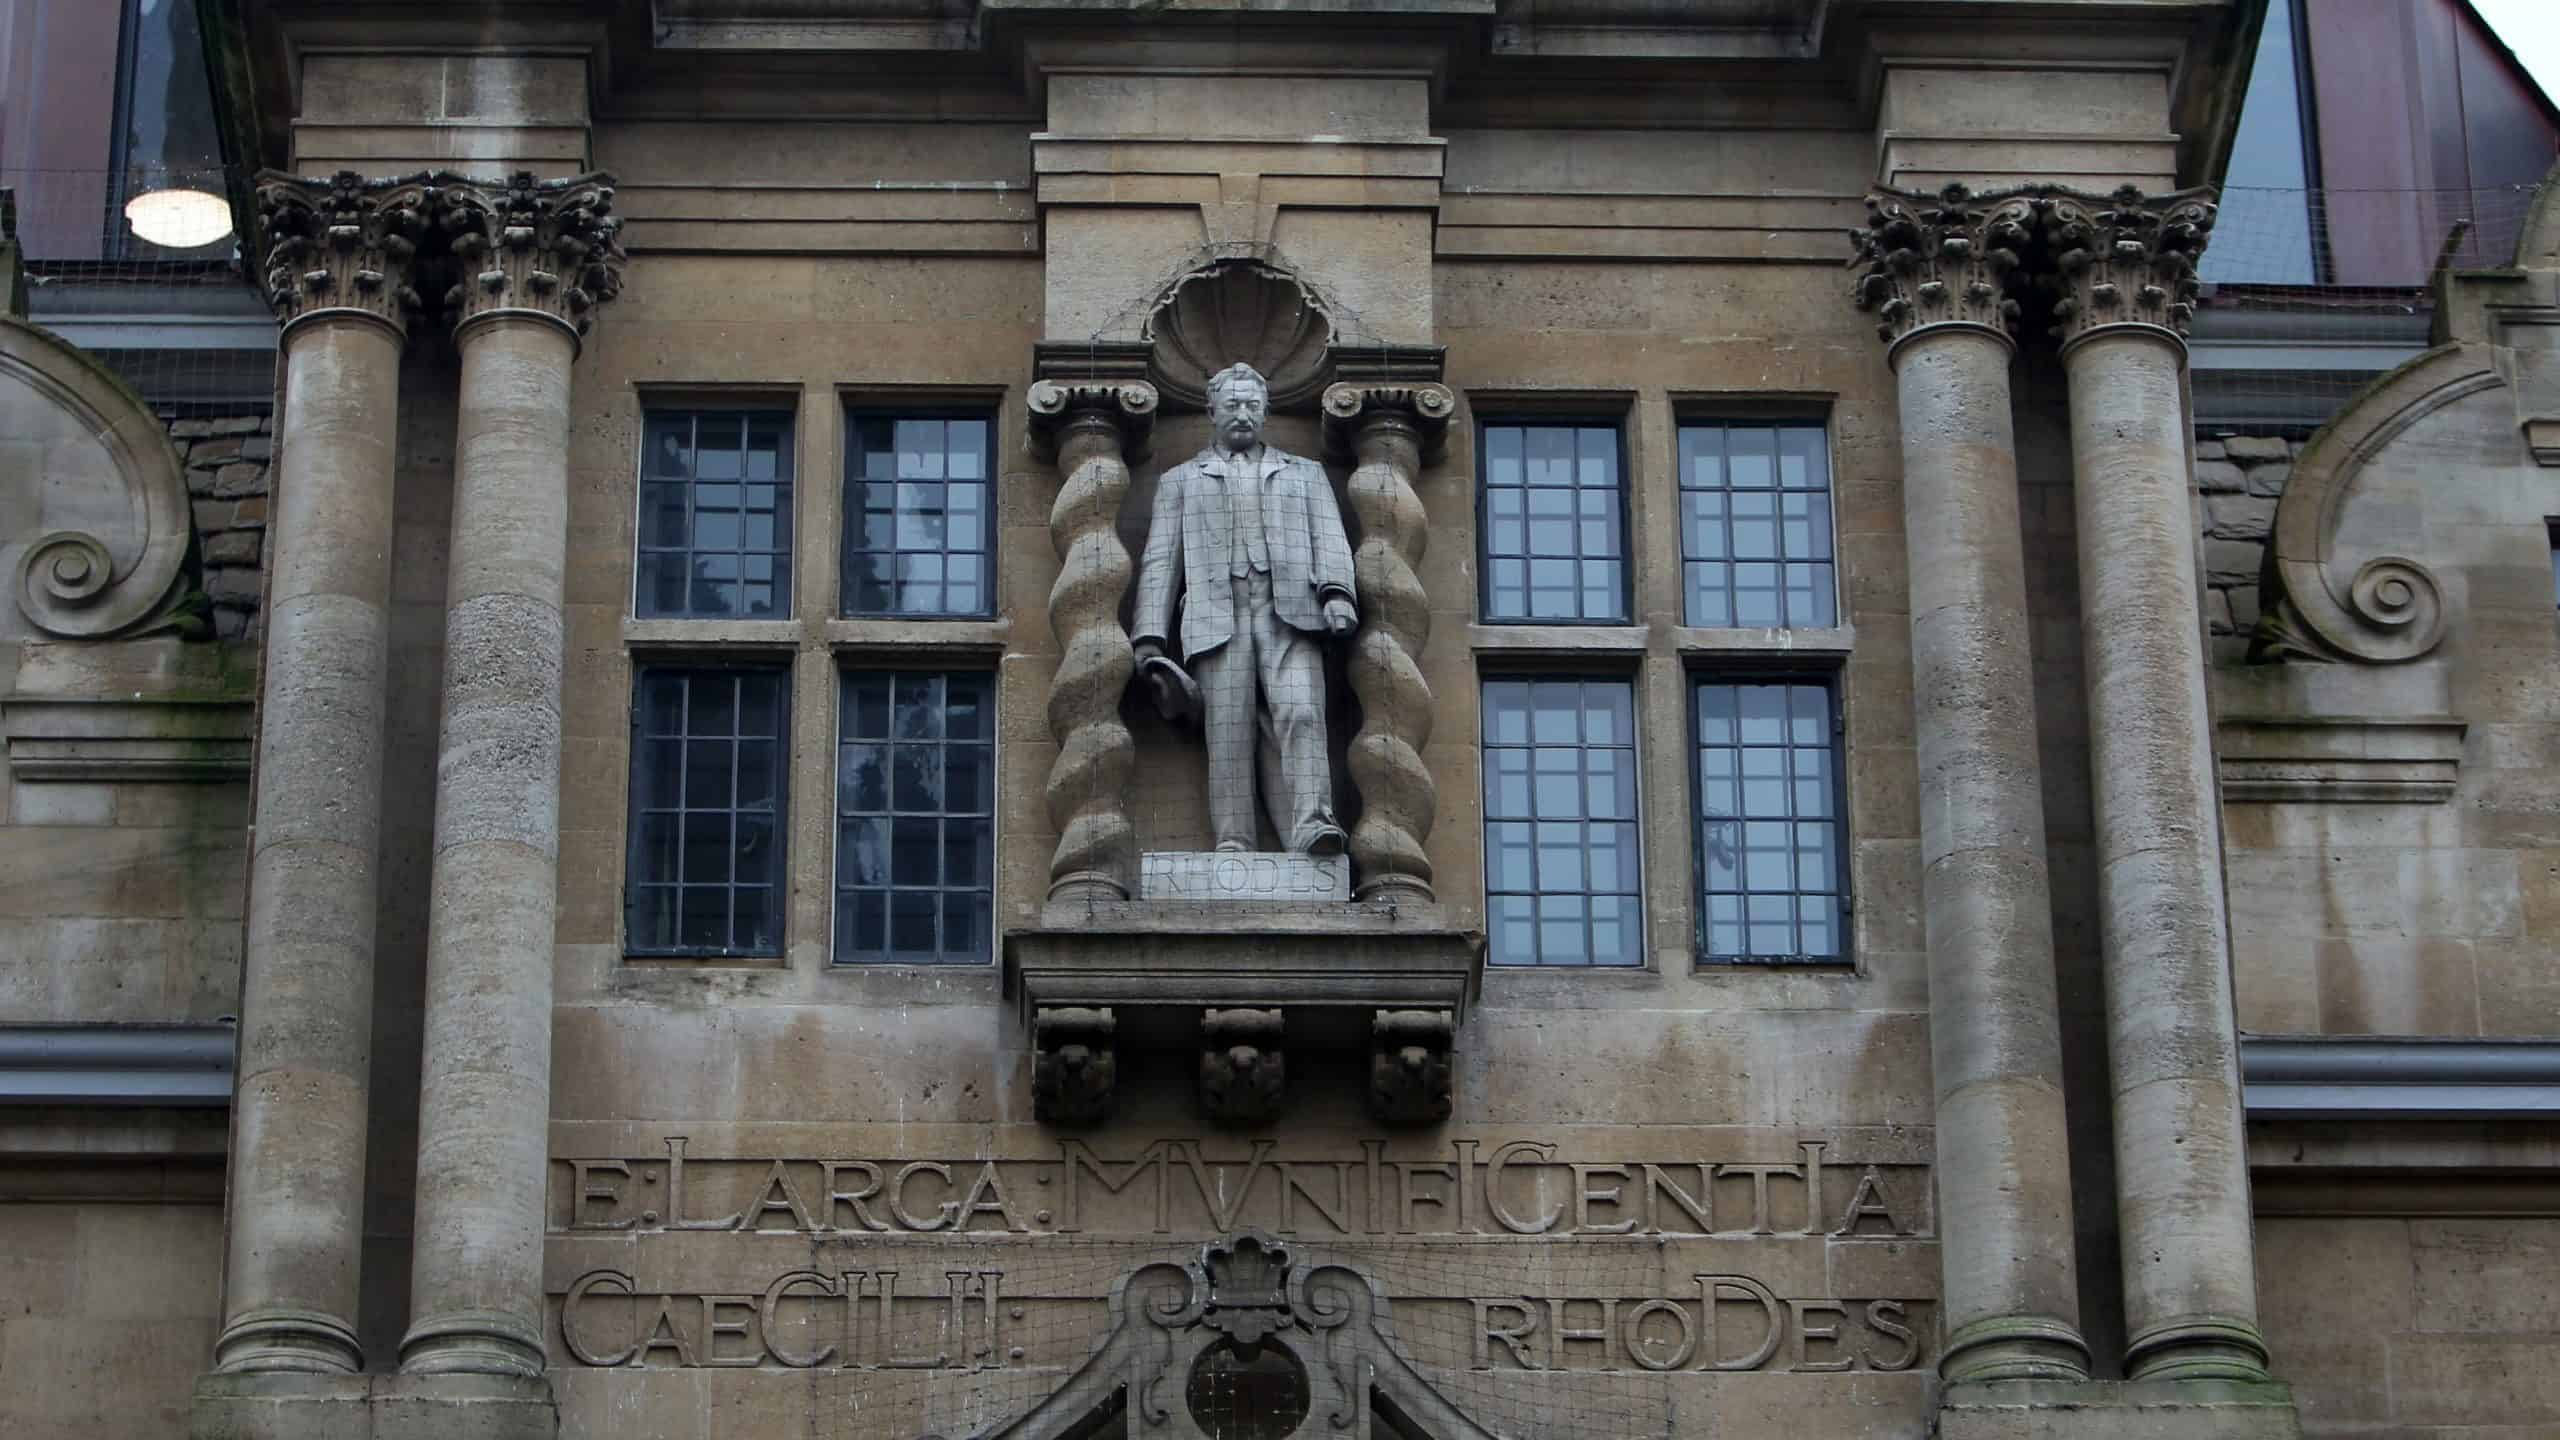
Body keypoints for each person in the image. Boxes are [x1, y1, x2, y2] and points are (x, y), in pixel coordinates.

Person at [1132, 361, 1357, 855]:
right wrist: (1148, 638)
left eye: (1253, 405)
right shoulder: (1181, 480)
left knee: (1302, 711)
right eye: (1232, 404)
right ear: (1211, 410)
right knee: (1229, 734)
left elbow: (1331, 539)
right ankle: (1234, 840)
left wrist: (1338, 593)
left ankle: (1313, 823)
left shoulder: (1305, 474)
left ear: (1267, 411)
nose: (1243, 414)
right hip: (1217, 615)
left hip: (1292, 612)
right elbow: (1160, 561)